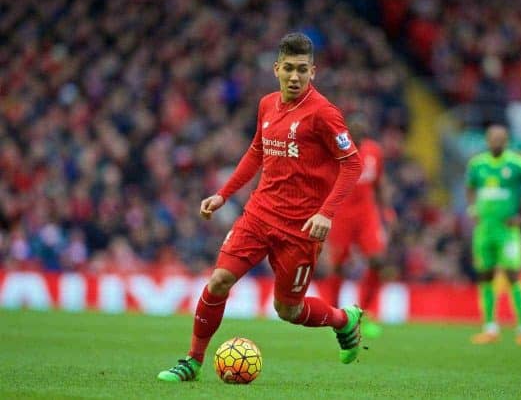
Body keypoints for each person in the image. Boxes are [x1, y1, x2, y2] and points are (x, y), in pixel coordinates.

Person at [157, 32, 364, 382]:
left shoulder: (325, 115)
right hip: (259, 214)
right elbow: (257, 151)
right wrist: (224, 194)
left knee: (288, 309)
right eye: (288, 69)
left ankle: (345, 320)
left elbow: (353, 164)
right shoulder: (267, 104)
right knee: (219, 280)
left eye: (302, 70)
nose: (295, 77)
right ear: (276, 69)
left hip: (300, 229)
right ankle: (192, 361)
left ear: (313, 71)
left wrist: (325, 213)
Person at [466, 124, 521, 345]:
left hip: (508, 231)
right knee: (485, 275)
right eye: (492, 138)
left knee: (512, 274)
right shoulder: (477, 164)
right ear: (487, 140)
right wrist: (473, 208)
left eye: (500, 139)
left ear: (507, 141)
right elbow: (470, 187)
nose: (496, 142)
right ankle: (490, 327)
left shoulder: (519, 164)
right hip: (484, 230)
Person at [321, 113, 391, 339]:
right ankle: (334, 316)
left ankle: (364, 314)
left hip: (366, 214)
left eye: (363, 131)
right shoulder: (335, 151)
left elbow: (379, 184)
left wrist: (387, 211)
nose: (360, 135)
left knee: (378, 260)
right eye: (356, 131)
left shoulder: (374, 152)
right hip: (340, 215)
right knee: (337, 266)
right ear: (348, 132)